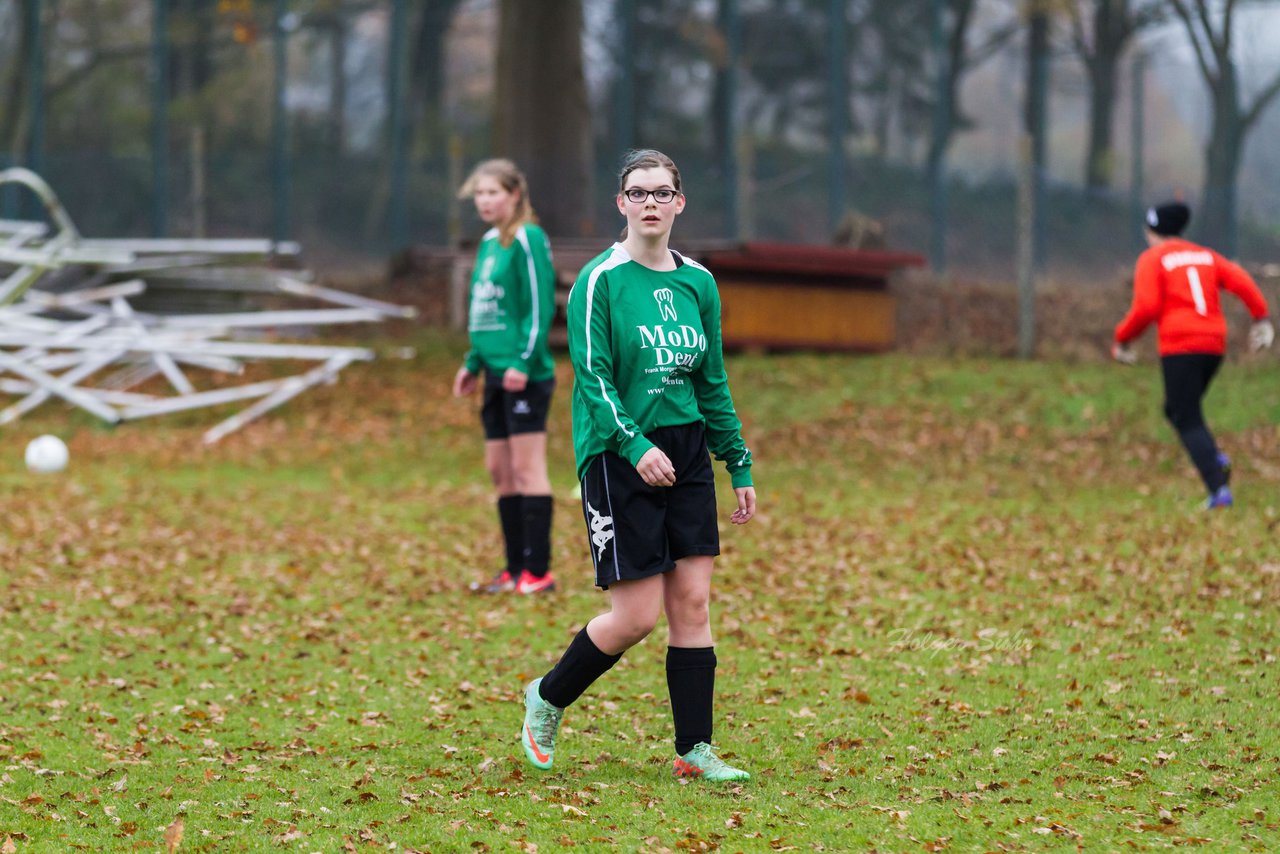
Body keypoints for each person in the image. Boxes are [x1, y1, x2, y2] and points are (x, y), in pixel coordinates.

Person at [519, 149, 757, 782]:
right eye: (637, 192)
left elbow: (712, 380)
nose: (650, 202)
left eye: (661, 192)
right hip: (617, 454)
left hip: (686, 451)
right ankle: (547, 696)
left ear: (679, 203)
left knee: (695, 604)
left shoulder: (699, 283)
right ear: (621, 204)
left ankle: (694, 750)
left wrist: (737, 461)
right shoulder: (601, 280)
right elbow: (593, 380)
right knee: (636, 618)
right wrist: (635, 446)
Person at [1112, 201, 1274, 508]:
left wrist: (1122, 339)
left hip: (1180, 345)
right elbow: (1242, 281)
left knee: (1186, 417)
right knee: (1177, 409)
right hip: (1213, 345)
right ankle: (1214, 459)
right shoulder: (1206, 255)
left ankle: (1218, 487)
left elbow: (1146, 307)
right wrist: (1261, 318)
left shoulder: (1153, 258)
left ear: (1153, 231)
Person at [452, 159, 558, 594]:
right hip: (494, 374)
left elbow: (539, 304)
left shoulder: (528, 239)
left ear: (515, 195)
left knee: (527, 469)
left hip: (525, 376)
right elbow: (486, 311)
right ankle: (514, 570)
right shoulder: (488, 243)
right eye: (479, 193)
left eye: (493, 192)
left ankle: (539, 572)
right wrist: (474, 362)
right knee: (500, 472)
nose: (484, 201)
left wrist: (523, 360)